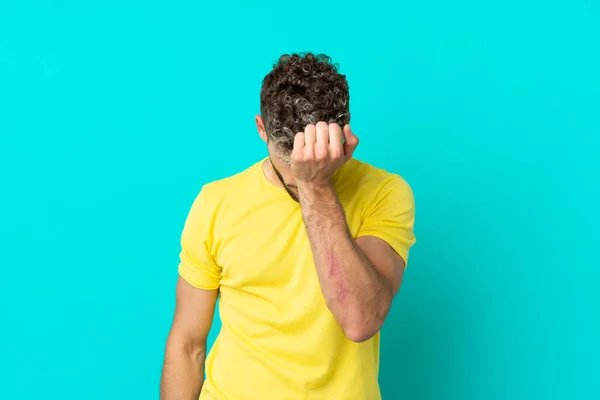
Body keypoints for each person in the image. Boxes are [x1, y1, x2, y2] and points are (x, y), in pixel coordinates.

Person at [160, 53, 416, 400]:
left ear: (345, 130)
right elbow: (187, 343)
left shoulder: (385, 192)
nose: (302, 171)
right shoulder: (215, 202)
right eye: (290, 162)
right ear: (261, 128)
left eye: (314, 157)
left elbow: (360, 320)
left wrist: (317, 186)